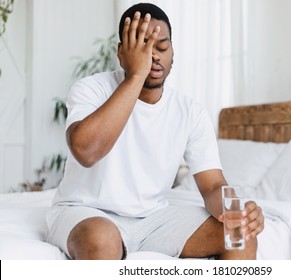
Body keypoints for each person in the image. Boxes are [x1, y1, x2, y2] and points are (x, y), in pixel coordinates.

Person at [46, 2, 264, 260]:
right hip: (86, 212)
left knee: (239, 237)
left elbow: (213, 185)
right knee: (102, 239)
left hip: (154, 219)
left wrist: (235, 212)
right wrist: (136, 75)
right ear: (122, 52)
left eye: (162, 46)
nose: (155, 56)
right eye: (143, 47)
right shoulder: (91, 89)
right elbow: (86, 151)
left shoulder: (190, 111)